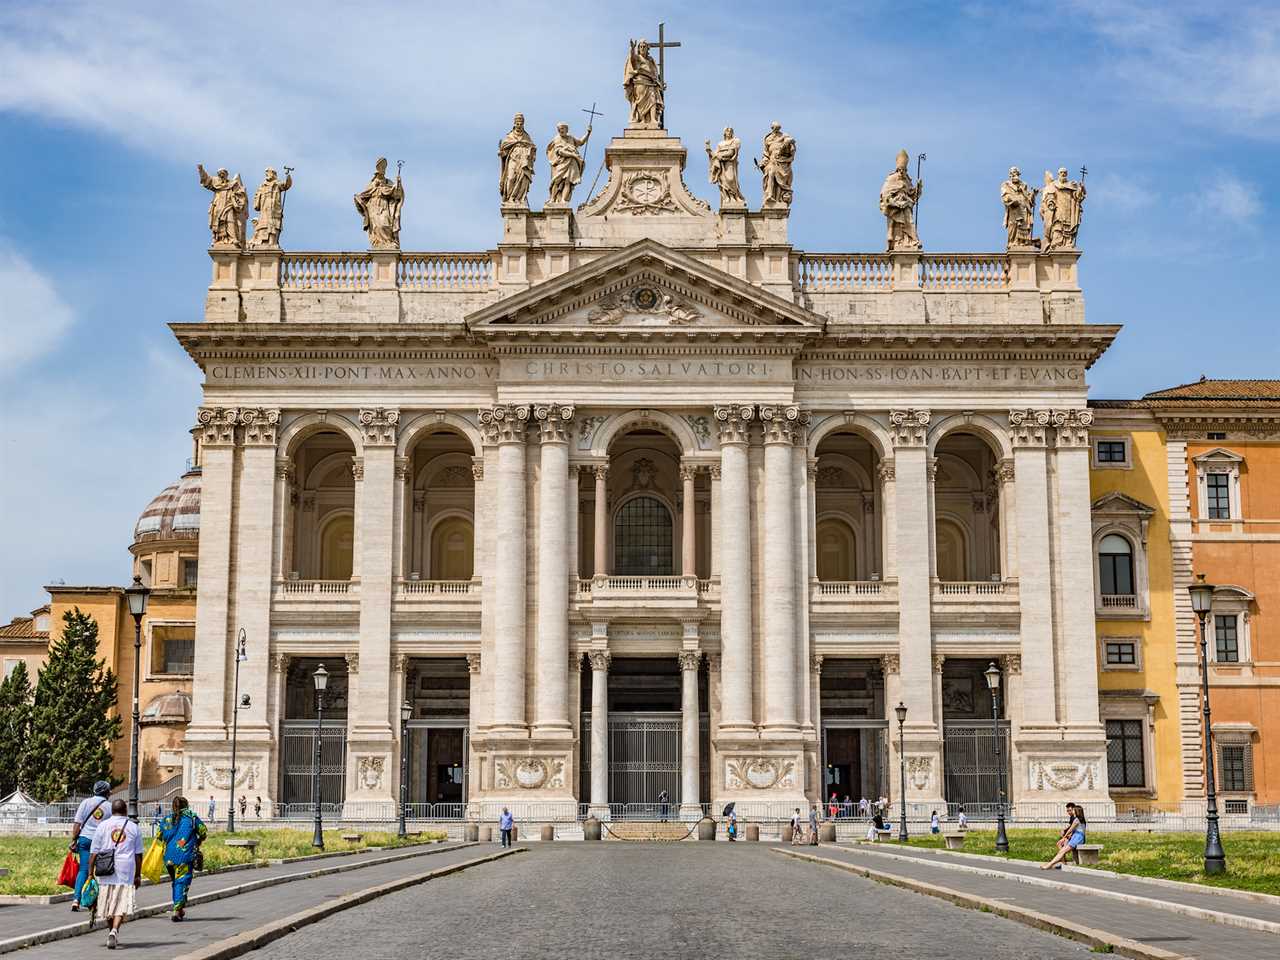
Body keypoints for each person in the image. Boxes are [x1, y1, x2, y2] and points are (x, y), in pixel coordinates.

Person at [87, 799, 143, 949]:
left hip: (106, 869)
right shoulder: (133, 827)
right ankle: (114, 930)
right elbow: (138, 855)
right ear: (125, 811)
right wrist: (138, 875)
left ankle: (111, 930)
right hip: (126, 869)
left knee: (107, 902)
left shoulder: (102, 826)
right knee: (121, 902)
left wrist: (90, 875)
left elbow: (93, 853)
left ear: (112, 811)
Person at [159, 796, 207, 920]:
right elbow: (203, 831)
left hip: (169, 857)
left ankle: (179, 910)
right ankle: (176, 910)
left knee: (176, 882)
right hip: (184, 856)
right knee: (181, 881)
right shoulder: (191, 817)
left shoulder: (167, 819)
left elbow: (160, 835)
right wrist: (198, 840)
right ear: (186, 805)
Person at [69, 780, 112, 911]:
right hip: (101, 842)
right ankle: (93, 901)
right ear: (106, 792)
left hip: (85, 839)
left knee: (83, 870)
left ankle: (76, 899)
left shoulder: (85, 803)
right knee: (100, 871)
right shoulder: (109, 806)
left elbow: (77, 823)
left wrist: (73, 839)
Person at [1043, 803, 1086, 870]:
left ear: (1077, 811)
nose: (1072, 811)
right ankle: (1052, 864)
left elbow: (1070, 830)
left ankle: (1049, 865)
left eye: (1073, 810)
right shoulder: (1080, 819)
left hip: (1077, 838)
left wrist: (1063, 838)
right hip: (1076, 837)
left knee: (1062, 851)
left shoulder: (1076, 820)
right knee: (1062, 850)